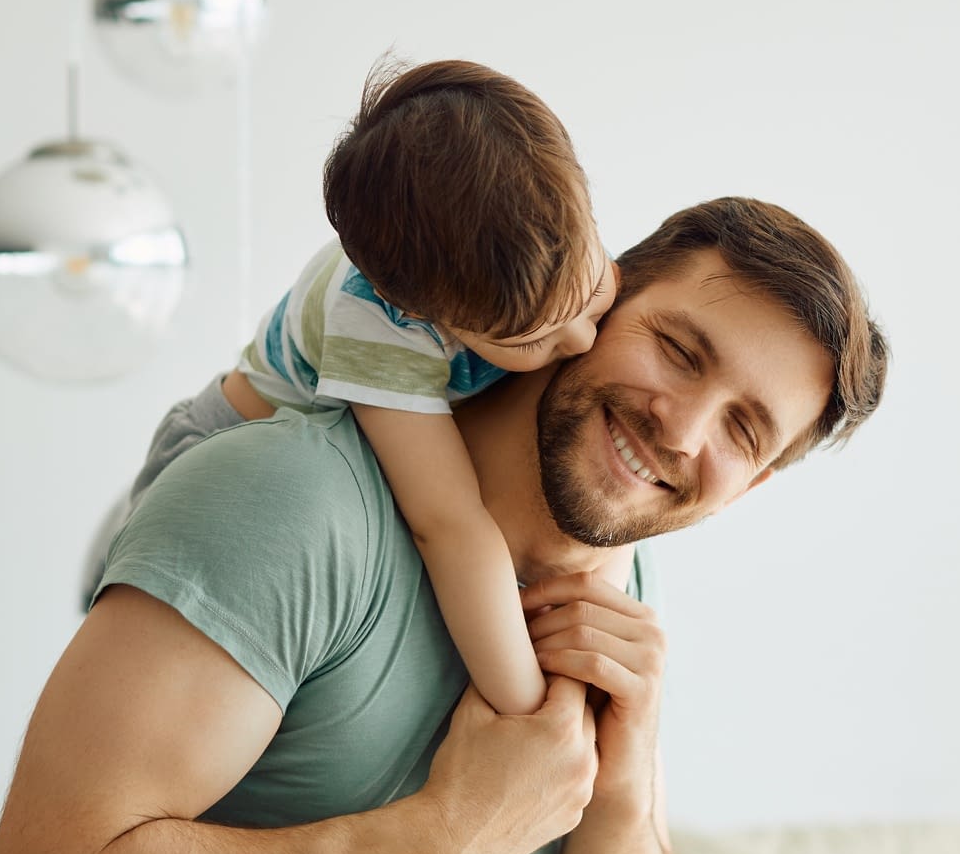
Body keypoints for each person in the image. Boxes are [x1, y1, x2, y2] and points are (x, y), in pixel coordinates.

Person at [0, 197, 889, 854]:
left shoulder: (618, 591)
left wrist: (620, 772)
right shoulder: (291, 501)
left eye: (742, 428)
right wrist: (444, 834)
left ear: (754, 482)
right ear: (601, 300)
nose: (682, 429)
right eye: (680, 351)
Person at [83, 57, 615, 718]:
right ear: (423, 313)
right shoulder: (378, 321)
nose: (582, 342)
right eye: (528, 340)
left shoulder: (547, 237)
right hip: (217, 461)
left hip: (331, 464)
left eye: (593, 293)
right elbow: (448, 526)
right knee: (144, 672)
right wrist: (530, 711)